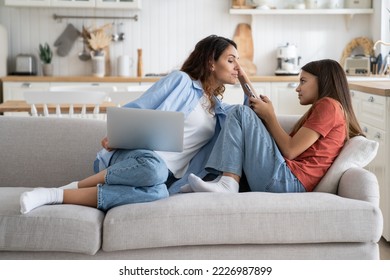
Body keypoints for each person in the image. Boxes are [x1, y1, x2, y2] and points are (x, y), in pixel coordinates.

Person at [20, 34, 245, 214]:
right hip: (135, 158)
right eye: (230, 60)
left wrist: (246, 83)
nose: (238, 67)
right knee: (154, 168)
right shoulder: (182, 81)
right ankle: (73, 186)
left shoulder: (220, 111)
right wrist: (118, 134)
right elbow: (139, 107)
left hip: (164, 178)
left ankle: (55, 195)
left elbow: (246, 114)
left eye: (238, 61)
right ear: (211, 63)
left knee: (158, 193)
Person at [183, 59, 364, 194]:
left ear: (323, 80)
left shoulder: (329, 106)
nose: (297, 88)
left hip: (288, 182)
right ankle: (218, 180)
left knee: (240, 112)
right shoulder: (326, 108)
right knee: (247, 113)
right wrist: (243, 77)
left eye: (303, 81)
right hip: (286, 178)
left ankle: (226, 183)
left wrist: (270, 116)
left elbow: (291, 150)